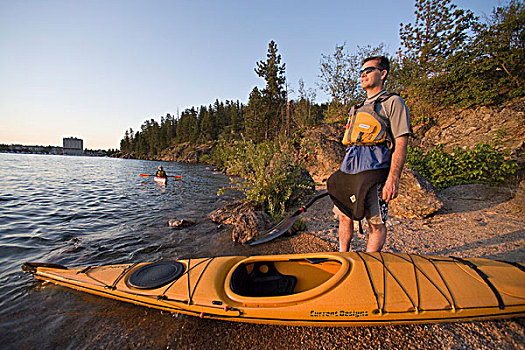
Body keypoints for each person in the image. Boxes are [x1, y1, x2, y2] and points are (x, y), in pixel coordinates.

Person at [333, 56, 411, 252]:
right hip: (349, 168)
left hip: (375, 170)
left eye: (369, 70)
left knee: (375, 223)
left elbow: (401, 141)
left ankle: (370, 263)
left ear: (383, 73)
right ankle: (343, 255)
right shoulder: (356, 109)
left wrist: (393, 179)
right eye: (361, 72)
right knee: (344, 216)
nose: (363, 75)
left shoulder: (392, 103)